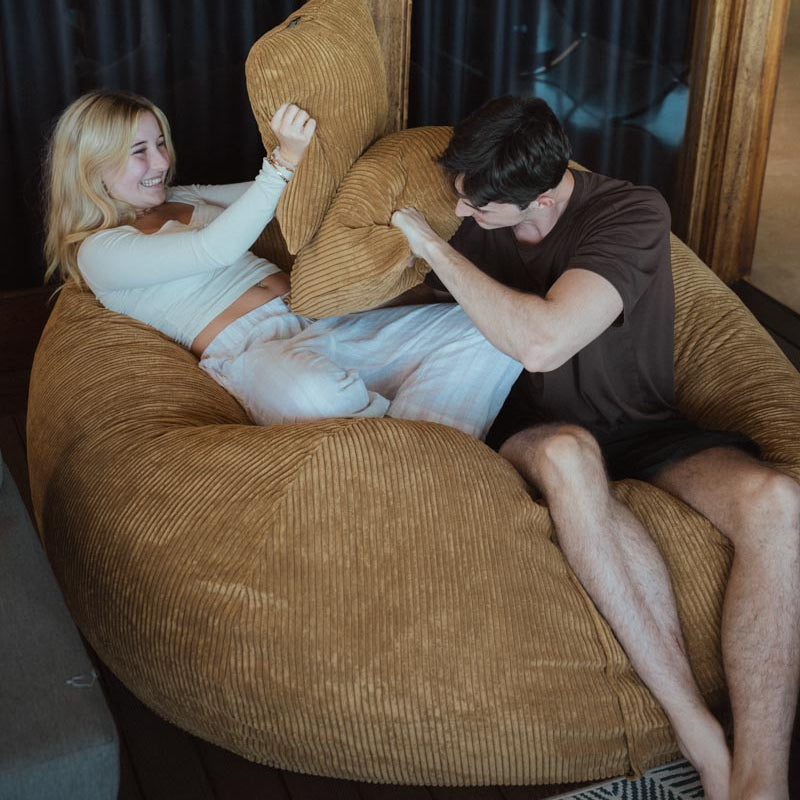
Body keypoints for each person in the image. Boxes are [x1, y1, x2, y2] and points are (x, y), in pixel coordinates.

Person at [391, 95, 799, 800]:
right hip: (530, 428)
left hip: (643, 424)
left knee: (779, 500)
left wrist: (430, 247)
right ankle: (697, 733)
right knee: (568, 454)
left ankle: (762, 778)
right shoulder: (479, 206)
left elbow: (544, 339)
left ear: (544, 196)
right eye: (456, 197)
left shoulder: (631, 215)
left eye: (479, 206)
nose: (460, 214)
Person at [43, 89, 522, 440]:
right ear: (92, 166)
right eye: (138, 151)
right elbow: (215, 248)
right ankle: (428, 448)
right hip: (253, 354)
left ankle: (417, 450)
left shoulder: (179, 197)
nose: (161, 161)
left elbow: (283, 198)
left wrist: (313, 150)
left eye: (160, 143)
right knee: (313, 396)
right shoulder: (100, 252)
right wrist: (282, 161)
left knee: (488, 331)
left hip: (321, 316)